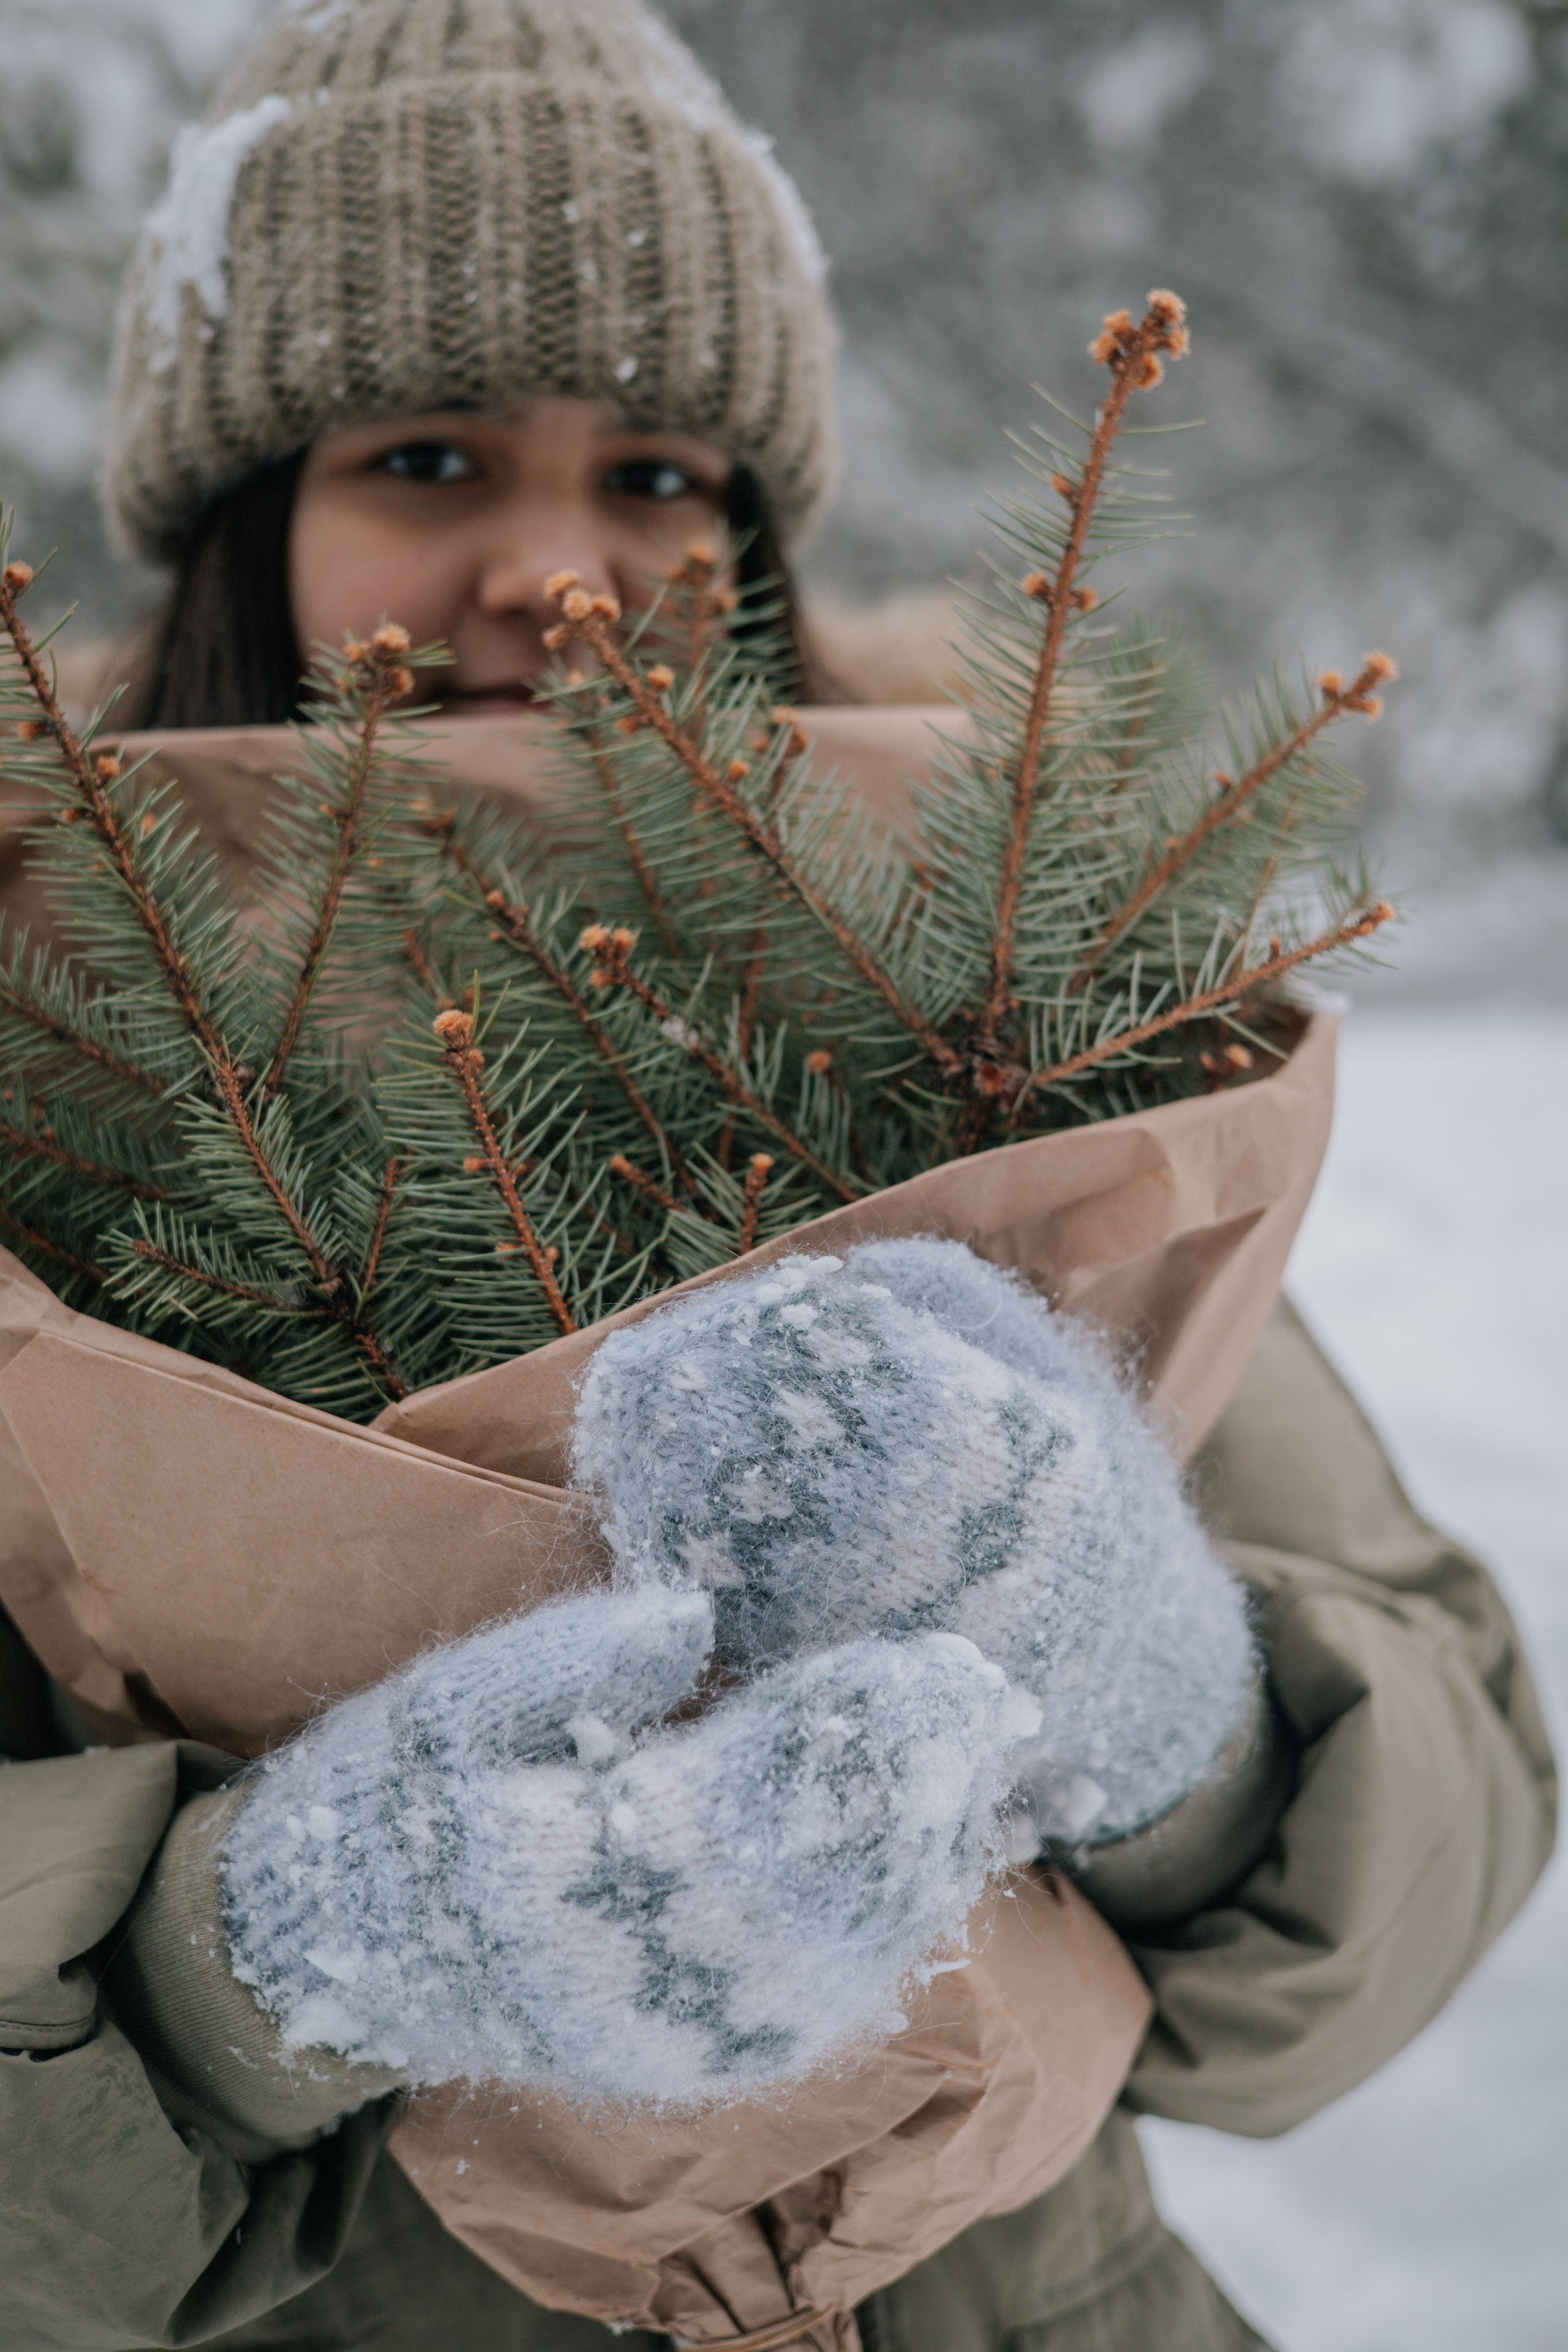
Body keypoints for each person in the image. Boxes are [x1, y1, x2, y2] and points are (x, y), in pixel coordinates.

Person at [0, 4, 1555, 2350]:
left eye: (657, 474)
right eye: (430, 454)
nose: (562, 566)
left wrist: (1176, 1729)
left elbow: (1440, 1818)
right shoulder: (39, 1062)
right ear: (245, 514)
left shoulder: (1003, 1013)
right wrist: (258, 1967)